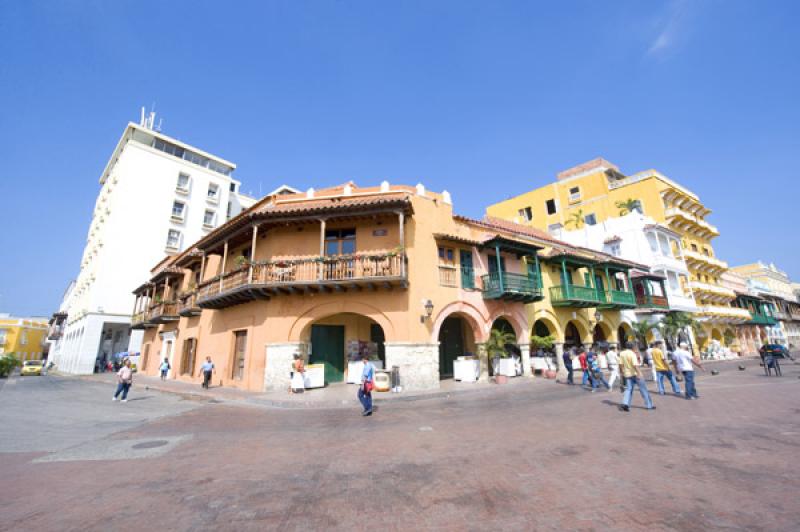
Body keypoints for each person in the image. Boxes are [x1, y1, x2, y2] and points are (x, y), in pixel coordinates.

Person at [618, 342, 655, 412]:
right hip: (635, 373)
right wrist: (639, 373)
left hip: (627, 374)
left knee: (628, 389)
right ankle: (649, 405)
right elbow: (635, 365)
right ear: (632, 347)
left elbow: (620, 364)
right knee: (643, 389)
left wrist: (621, 372)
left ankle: (625, 403)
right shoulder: (632, 354)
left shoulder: (622, 353)